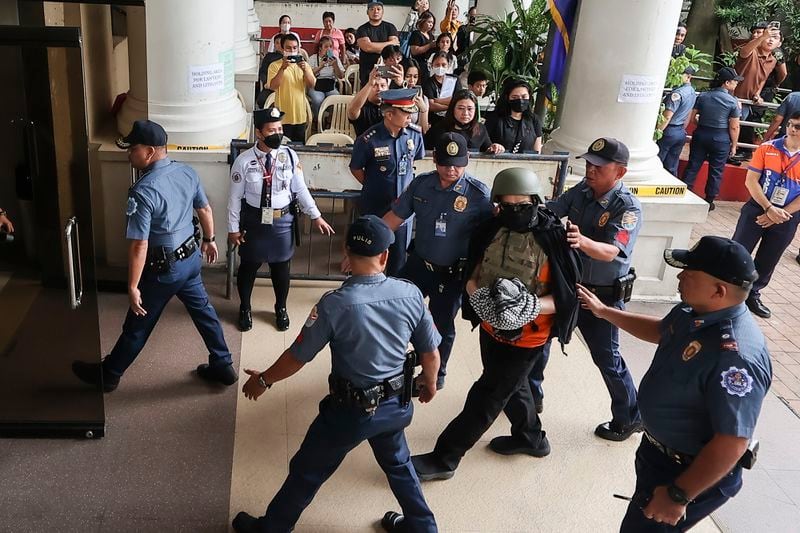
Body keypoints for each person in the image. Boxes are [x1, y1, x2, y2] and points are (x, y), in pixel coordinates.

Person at [231, 215, 442, 533]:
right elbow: (431, 353)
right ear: (385, 256)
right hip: (396, 406)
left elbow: (297, 357)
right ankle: (423, 527)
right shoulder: (410, 294)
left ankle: (271, 529)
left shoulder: (335, 304)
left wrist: (263, 380)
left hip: (350, 413)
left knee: (307, 470)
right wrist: (428, 382)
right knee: (399, 464)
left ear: (346, 251)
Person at [577, 236, 771, 532]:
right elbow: (660, 330)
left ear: (719, 291)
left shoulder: (736, 357)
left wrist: (679, 495)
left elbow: (732, 442)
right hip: (660, 453)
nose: (679, 276)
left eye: (689, 274)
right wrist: (604, 312)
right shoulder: (693, 310)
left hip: (688, 473)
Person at [411, 167, 581, 481]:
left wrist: (528, 307)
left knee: (486, 395)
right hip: (491, 327)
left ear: (536, 201)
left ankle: (445, 457)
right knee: (513, 386)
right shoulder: (490, 230)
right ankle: (531, 438)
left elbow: (568, 298)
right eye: (507, 206)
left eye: (523, 206)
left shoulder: (554, 238)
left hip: (528, 336)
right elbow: (472, 275)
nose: (515, 212)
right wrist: (484, 301)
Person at [72, 120, 236, 392]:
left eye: (132, 149)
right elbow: (204, 210)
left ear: (149, 152)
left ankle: (110, 374)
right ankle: (223, 362)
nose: (128, 154)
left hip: (164, 270)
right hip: (190, 259)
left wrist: (133, 286)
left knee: (137, 324)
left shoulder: (143, 191)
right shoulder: (186, 172)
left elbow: (139, 245)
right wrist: (209, 240)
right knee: (204, 312)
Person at [537, 137, 643, 440]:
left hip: (602, 295)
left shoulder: (627, 207)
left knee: (607, 359)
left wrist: (581, 241)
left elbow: (612, 251)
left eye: (599, 166)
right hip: (569, 285)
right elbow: (553, 209)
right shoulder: (582, 191)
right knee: (539, 341)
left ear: (619, 173)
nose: (590, 170)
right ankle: (531, 398)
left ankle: (629, 417)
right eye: (588, 163)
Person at [384, 133, 493, 392]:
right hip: (419, 265)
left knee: (441, 325)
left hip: (452, 273)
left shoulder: (478, 195)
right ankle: (392, 363)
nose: (451, 168)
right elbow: (392, 220)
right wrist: (365, 244)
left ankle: (436, 373)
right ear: (435, 160)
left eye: (457, 162)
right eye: (445, 162)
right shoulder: (421, 185)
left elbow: (491, 238)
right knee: (397, 311)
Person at [228, 106, 334, 333]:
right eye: (271, 130)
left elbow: (300, 188)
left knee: (281, 268)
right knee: (248, 267)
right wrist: (233, 229)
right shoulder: (244, 161)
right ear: (258, 133)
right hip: (254, 222)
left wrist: (316, 215)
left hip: (282, 222)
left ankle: (280, 308)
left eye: (279, 129)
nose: (277, 133)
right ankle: (245, 308)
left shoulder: (290, 155)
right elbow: (235, 198)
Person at [730, 110, 800, 320]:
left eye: (799, 127)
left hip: (787, 216)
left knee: (769, 257)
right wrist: (769, 209)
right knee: (738, 251)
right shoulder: (767, 148)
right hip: (758, 208)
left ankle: (753, 293)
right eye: (792, 125)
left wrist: (780, 214)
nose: (794, 130)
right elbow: (751, 181)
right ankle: (728, 289)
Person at [349, 88, 425, 276]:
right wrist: (373, 185)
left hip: (402, 210)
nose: (410, 116)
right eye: (406, 112)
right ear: (389, 114)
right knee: (371, 259)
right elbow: (356, 168)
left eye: (411, 112)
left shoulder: (414, 135)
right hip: (376, 208)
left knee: (398, 261)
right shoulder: (369, 139)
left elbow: (414, 160)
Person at [681, 67, 742, 210]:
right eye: (735, 81)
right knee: (716, 170)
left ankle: (685, 194)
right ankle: (709, 200)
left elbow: (692, 117)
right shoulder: (732, 101)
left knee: (693, 165)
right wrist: (734, 145)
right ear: (726, 83)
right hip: (720, 138)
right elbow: (734, 127)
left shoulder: (703, 96)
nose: (736, 84)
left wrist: (700, 123)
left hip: (701, 133)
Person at [267, 34, 316, 143]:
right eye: (288, 48)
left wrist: (305, 71)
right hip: (282, 117)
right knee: (282, 150)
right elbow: (273, 86)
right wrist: (282, 69)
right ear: (282, 48)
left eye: (294, 48)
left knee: (298, 149)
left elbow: (312, 84)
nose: (292, 50)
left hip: (300, 116)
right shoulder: (274, 66)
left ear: (298, 49)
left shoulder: (304, 65)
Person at [424, 89, 503, 154]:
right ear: (453, 109)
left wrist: (495, 147)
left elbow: (487, 149)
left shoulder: (480, 129)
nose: (465, 113)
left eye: (470, 109)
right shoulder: (439, 128)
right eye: (461, 108)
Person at [657, 66, 697, 176]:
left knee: (657, 162)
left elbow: (667, 116)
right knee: (671, 166)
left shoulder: (677, 94)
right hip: (680, 131)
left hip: (669, 130)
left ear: (688, 76)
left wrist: (657, 132)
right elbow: (689, 113)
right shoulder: (692, 92)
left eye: (681, 74)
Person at [485, 78, 543, 154]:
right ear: (507, 98)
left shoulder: (534, 120)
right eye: (514, 97)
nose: (520, 100)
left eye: (524, 97)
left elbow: (537, 151)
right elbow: (484, 144)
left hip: (525, 164)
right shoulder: (494, 118)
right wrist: (493, 147)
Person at [356, 0, 399, 87]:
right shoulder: (362, 29)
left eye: (378, 9)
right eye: (372, 9)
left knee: (385, 94)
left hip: (387, 68)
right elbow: (367, 47)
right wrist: (389, 44)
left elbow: (395, 47)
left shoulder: (390, 27)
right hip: (367, 70)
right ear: (367, 12)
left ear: (382, 12)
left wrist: (374, 46)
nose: (375, 11)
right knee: (369, 96)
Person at [308, 36, 345, 121]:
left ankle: (330, 120)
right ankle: (318, 120)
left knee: (336, 98)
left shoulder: (335, 58)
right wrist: (320, 66)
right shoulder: (313, 58)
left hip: (330, 85)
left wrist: (335, 65)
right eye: (326, 47)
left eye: (330, 47)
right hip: (315, 85)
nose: (329, 49)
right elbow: (308, 75)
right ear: (320, 48)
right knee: (318, 100)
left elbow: (341, 76)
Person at [422, 52, 462, 127]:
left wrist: (437, 100)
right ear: (432, 65)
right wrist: (451, 106)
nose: (440, 67)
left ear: (448, 65)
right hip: (436, 121)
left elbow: (458, 100)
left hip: (453, 119)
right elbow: (431, 105)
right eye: (437, 65)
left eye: (443, 65)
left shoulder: (454, 79)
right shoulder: (428, 82)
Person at [348, 66, 390, 137]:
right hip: (366, 146)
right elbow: (352, 111)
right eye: (375, 86)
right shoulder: (362, 107)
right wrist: (370, 84)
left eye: (383, 86)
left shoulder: (391, 107)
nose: (379, 89)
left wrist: (402, 85)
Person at [403, 59, 431, 133]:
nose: (412, 80)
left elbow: (423, 130)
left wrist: (423, 109)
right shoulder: (394, 96)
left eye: (415, 77)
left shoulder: (423, 99)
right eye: (408, 76)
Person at [409, 10, 437, 82]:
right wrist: (430, 45)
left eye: (432, 23)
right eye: (429, 22)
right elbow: (414, 51)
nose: (431, 24)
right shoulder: (416, 34)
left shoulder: (431, 36)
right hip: (419, 64)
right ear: (423, 21)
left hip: (429, 65)